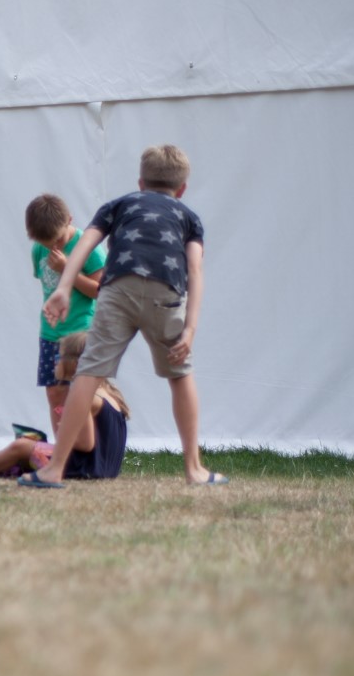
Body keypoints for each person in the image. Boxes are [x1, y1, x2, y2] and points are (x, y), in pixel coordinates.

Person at [21, 144, 227, 487]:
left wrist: (63, 287)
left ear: (140, 183)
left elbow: (86, 241)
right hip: (166, 292)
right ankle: (194, 469)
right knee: (180, 375)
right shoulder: (189, 217)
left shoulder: (120, 204)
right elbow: (195, 269)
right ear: (182, 189)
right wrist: (190, 329)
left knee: (88, 372)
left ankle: (54, 469)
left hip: (118, 290)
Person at [0, 331, 129, 480]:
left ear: (77, 363)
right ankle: (2, 464)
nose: (54, 364)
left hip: (86, 468)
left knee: (21, 446)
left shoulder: (85, 397)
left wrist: (64, 428)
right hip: (104, 468)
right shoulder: (106, 392)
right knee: (29, 444)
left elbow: (85, 445)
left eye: (58, 358)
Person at [25, 193, 105, 421]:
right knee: (55, 392)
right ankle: (62, 452)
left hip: (82, 333)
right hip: (51, 334)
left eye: (58, 240)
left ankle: (88, 449)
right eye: (46, 243)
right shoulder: (39, 250)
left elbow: (100, 290)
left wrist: (68, 268)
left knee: (85, 394)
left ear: (69, 219)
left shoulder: (88, 248)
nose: (54, 246)